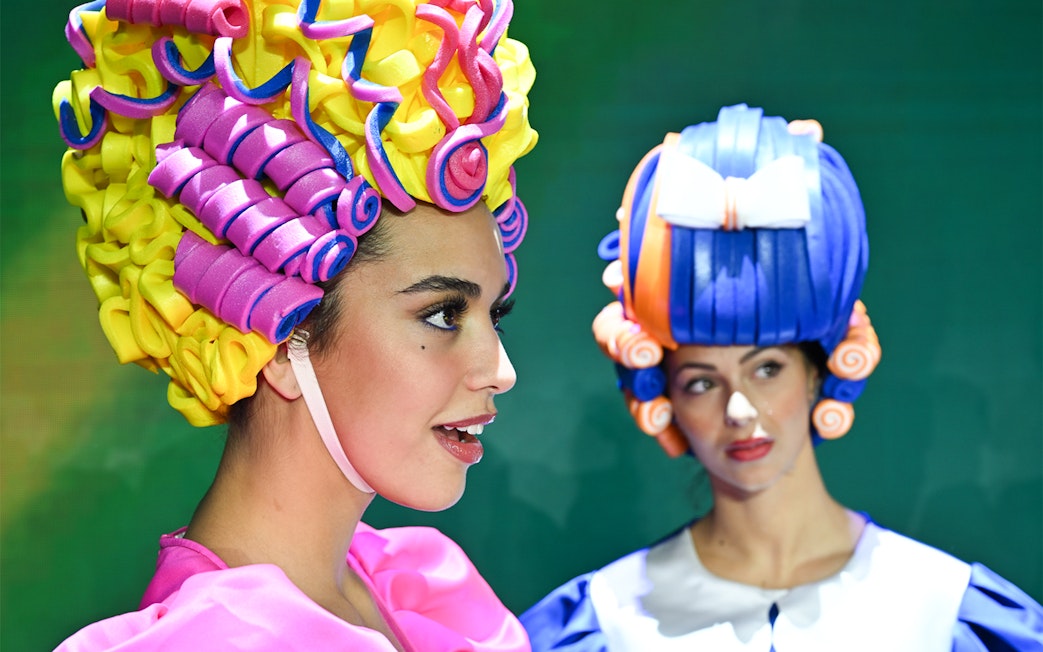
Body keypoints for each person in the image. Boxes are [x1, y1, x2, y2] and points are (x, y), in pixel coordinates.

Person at [51, 0, 537, 649]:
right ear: (280, 334)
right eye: (443, 313)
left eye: (493, 314)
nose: (500, 371)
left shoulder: (416, 585)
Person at [520, 104, 1043, 650]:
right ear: (664, 397)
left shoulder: (944, 610)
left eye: (767, 369)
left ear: (819, 375)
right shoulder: (608, 621)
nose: (739, 411)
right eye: (701, 382)